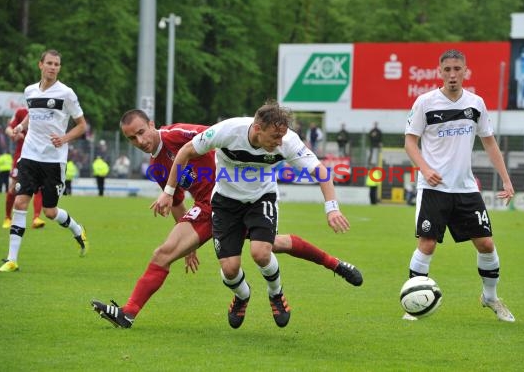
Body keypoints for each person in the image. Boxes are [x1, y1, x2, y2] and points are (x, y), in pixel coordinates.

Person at [91, 109, 361, 329]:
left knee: (267, 248)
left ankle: (331, 266)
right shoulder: (157, 166)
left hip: (248, 198)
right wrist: (190, 244)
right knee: (171, 255)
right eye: (132, 139)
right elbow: (175, 203)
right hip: (216, 207)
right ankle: (129, 314)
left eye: (141, 132)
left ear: (151, 125)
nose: (140, 141)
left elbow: (205, 141)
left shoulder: (180, 134)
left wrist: (332, 207)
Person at [403, 49, 515, 322]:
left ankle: (490, 298)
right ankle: (413, 306)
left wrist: (506, 179)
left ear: (466, 71)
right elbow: (409, 141)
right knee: (427, 245)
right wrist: (425, 169)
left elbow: (489, 142)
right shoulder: (425, 103)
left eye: (457, 69)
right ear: (439, 72)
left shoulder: (476, 104)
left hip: (466, 188)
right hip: (433, 189)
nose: (452, 75)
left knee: (486, 244)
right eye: (447, 70)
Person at [0, 49, 89, 273]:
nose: (53, 67)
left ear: (59, 67)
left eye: (57, 64)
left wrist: (64, 138)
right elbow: (32, 111)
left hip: (53, 160)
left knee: (50, 211)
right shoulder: (29, 90)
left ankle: (78, 230)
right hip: (29, 156)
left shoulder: (66, 93)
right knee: (20, 203)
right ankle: (12, 259)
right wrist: (20, 127)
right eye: (49, 63)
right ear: (40, 65)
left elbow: (81, 125)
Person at [2, 107, 46, 230]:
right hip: (21, 156)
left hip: (39, 156)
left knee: (39, 187)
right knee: (14, 188)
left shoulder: (46, 112)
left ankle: (36, 217)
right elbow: (8, 129)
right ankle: (7, 217)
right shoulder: (22, 112)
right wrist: (14, 134)